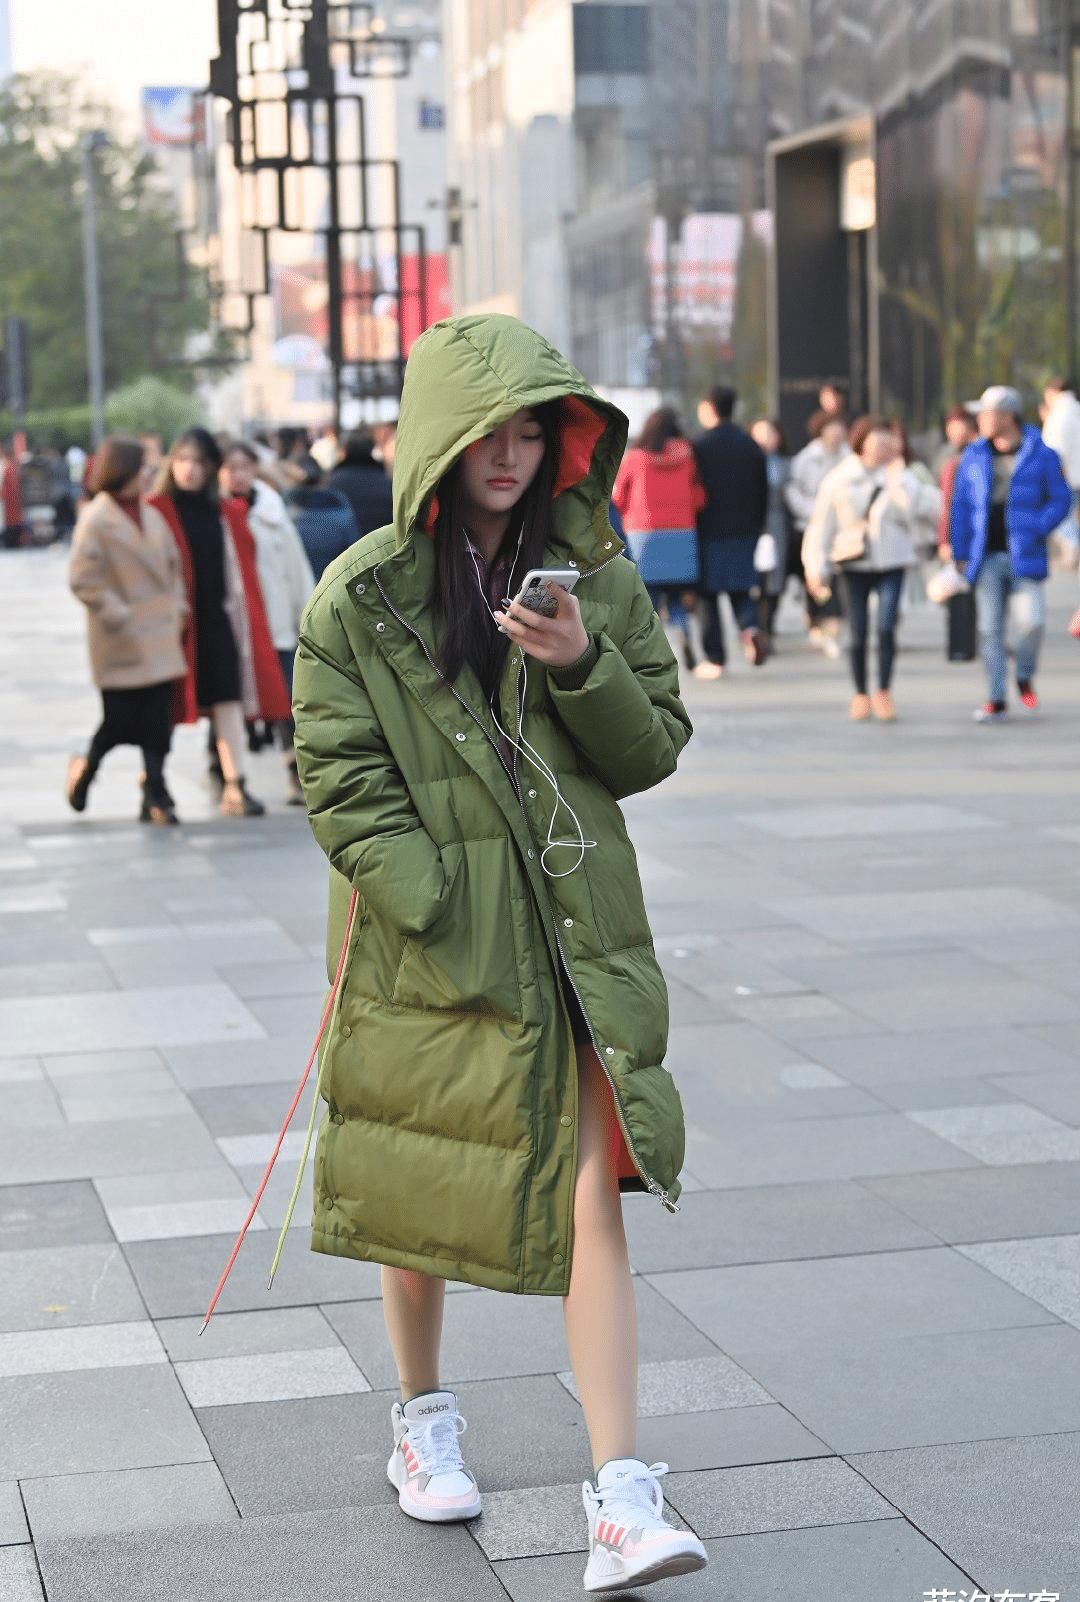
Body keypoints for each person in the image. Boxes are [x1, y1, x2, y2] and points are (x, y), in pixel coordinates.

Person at [291, 312, 705, 1594]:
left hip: (571, 943)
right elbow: (340, 776)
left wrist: (581, 664)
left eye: (537, 430)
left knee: (590, 1189)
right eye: (493, 432)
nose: (515, 455)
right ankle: (421, 1421)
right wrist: (439, 900)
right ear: (441, 442)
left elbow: (654, 748)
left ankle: (623, 1496)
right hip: (432, 945)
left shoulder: (597, 576)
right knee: (422, 1189)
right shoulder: (361, 595)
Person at [150, 428, 291, 815]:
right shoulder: (157, 509)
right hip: (172, 626)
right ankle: (154, 782)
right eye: (182, 460)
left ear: (211, 467)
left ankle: (236, 784)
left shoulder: (226, 513)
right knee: (166, 707)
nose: (190, 470)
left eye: (198, 462)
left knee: (228, 700)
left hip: (218, 622)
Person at [66, 437, 188, 824]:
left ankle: (156, 791)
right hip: (120, 639)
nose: (149, 475)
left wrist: (178, 606)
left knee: (158, 720)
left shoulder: (149, 513)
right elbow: (82, 577)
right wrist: (118, 613)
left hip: (160, 634)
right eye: (143, 469)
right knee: (117, 721)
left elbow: (172, 564)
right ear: (124, 472)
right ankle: (87, 769)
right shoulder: (97, 518)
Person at [803, 414, 941, 722]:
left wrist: (899, 477)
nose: (884, 448)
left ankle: (884, 692)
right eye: (877, 441)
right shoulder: (841, 478)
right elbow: (821, 525)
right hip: (854, 562)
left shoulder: (904, 476)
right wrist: (816, 566)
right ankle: (860, 693)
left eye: (890, 442)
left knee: (887, 626)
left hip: (893, 560)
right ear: (862, 443)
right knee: (859, 630)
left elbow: (923, 510)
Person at [949, 384, 1071, 722]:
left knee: (1032, 622)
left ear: (1007, 416)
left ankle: (1024, 673)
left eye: (987, 413)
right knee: (989, 629)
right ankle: (996, 697)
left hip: (1025, 554)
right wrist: (958, 550)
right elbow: (959, 506)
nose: (981, 420)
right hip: (984, 556)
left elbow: (1060, 499)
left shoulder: (1042, 454)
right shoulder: (973, 455)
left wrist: (1037, 525)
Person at [221, 440, 315, 806]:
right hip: (232, 627)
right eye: (229, 467)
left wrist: (304, 618)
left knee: (286, 702)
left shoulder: (273, 514)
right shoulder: (215, 514)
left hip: (274, 625)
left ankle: (296, 773)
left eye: (244, 466)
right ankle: (225, 773)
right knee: (227, 704)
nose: (237, 474)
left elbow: (296, 570)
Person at [611, 406, 705, 670]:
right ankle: (683, 631)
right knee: (676, 596)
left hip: (644, 534)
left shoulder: (634, 458)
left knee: (647, 601)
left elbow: (617, 497)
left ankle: (652, 653)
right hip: (681, 533)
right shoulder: (687, 456)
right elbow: (698, 496)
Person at [691, 385, 769, 677]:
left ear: (709, 407)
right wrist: (759, 526)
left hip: (707, 530)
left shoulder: (698, 445)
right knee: (740, 589)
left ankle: (716, 658)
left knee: (707, 597)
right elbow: (763, 490)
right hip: (745, 530)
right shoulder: (749, 445)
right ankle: (750, 628)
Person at [785, 410, 850, 656]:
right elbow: (793, 490)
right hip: (811, 526)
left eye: (840, 427)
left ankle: (831, 625)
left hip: (842, 532)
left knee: (837, 581)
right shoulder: (806, 458)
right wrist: (813, 511)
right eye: (831, 427)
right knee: (815, 579)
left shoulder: (849, 456)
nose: (836, 432)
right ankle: (819, 623)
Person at [749, 418, 794, 645]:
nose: (766, 439)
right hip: (752, 524)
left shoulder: (787, 464)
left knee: (775, 578)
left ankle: (768, 625)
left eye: (770, 433)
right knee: (755, 578)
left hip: (777, 524)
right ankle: (757, 627)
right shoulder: (745, 461)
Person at [286, 456, 359, 580]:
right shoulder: (342, 512)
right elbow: (354, 555)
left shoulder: (284, 513)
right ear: (322, 479)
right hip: (334, 586)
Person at [327, 428, 394, 539]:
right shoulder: (385, 481)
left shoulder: (333, 482)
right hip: (379, 546)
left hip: (344, 551)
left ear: (344, 451)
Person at [936, 407, 980, 551]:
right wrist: (944, 539)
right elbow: (946, 501)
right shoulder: (950, 458)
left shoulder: (981, 456)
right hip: (959, 535)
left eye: (955, 426)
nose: (951, 432)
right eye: (948, 427)